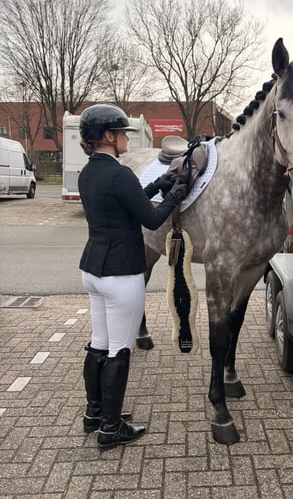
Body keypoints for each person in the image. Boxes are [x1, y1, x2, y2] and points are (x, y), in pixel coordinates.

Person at [78, 104, 187, 451]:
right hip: (121, 273)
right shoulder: (120, 173)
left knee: (99, 343)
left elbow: (128, 202)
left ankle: (95, 414)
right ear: (108, 136)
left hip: (93, 269)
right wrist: (175, 194)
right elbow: (151, 219)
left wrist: (158, 183)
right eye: (122, 132)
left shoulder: (88, 172)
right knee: (119, 350)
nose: (126, 138)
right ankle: (112, 428)